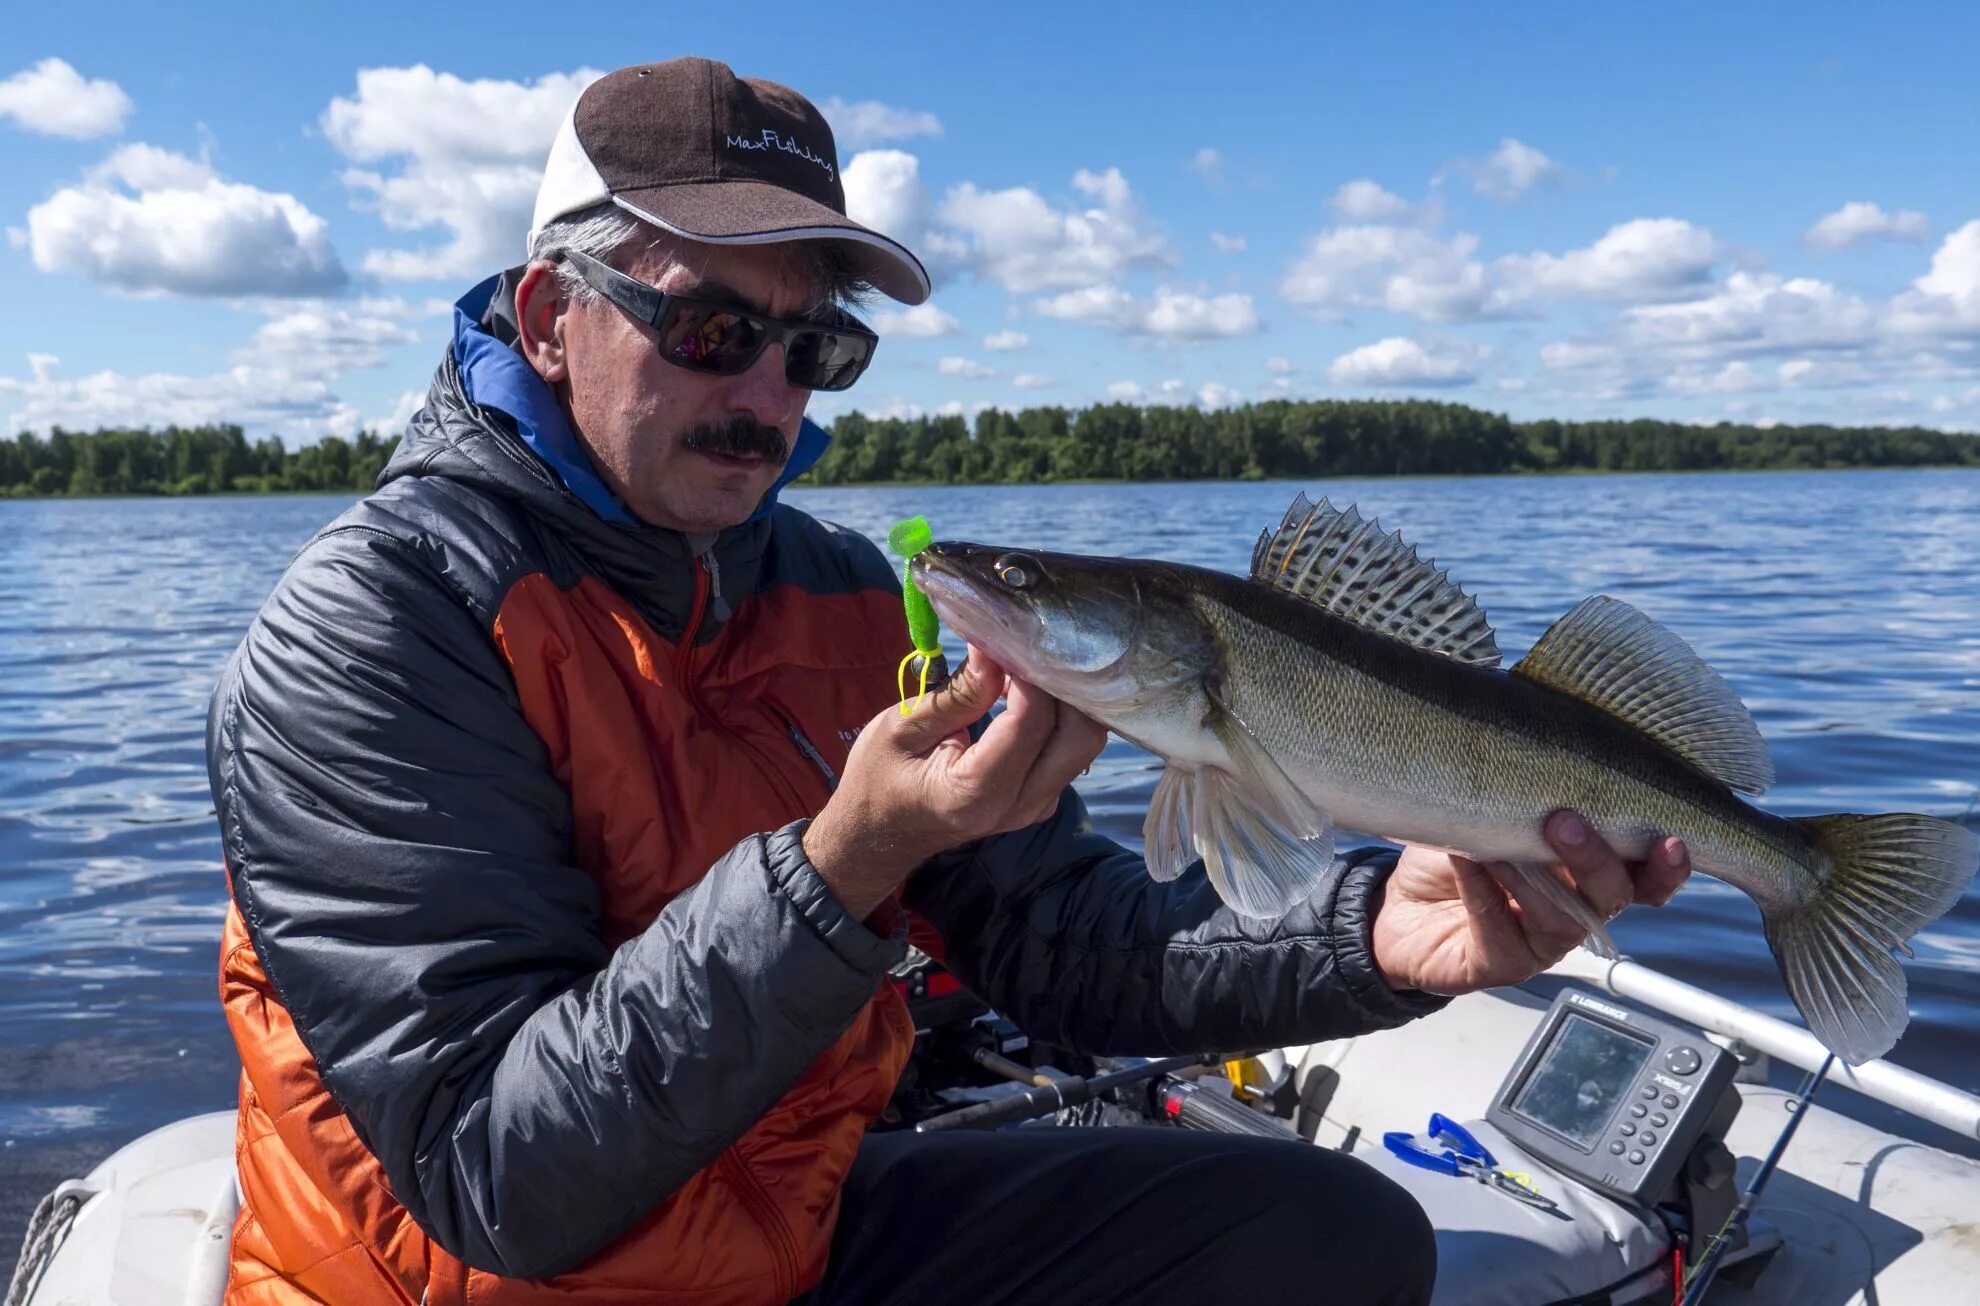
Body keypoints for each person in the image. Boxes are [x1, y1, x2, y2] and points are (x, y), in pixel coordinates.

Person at [205, 56, 1693, 1306]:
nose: (767, 396)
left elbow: (1067, 944)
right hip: (483, 1286)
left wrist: (1380, 927)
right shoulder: (378, 627)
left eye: (816, 348)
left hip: (786, 1239)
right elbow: (499, 1178)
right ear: (550, 315)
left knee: (1331, 1233)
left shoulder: (852, 596)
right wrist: (845, 862)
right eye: (714, 329)